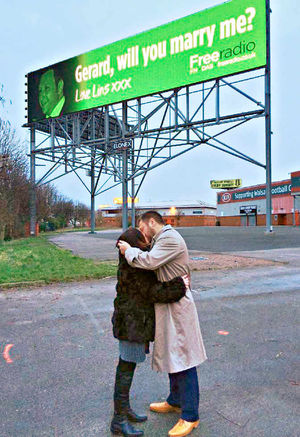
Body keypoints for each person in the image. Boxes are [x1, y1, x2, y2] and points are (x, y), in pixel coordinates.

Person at [118, 211, 207, 437]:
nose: (142, 233)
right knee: (172, 354)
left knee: (184, 357)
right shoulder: (160, 240)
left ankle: (190, 416)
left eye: (142, 226)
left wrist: (129, 251)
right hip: (166, 303)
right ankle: (175, 400)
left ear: (151, 221)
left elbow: (149, 261)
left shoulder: (169, 237)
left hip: (176, 304)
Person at [111, 227, 188, 437]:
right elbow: (153, 292)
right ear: (135, 242)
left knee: (127, 367)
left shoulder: (133, 261)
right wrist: (180, 285)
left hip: (131, 323)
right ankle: (118, 420)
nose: (147, 241)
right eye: (143, 239)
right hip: (131, 324)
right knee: (125, 368)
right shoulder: (134, 266)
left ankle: (124, 410)